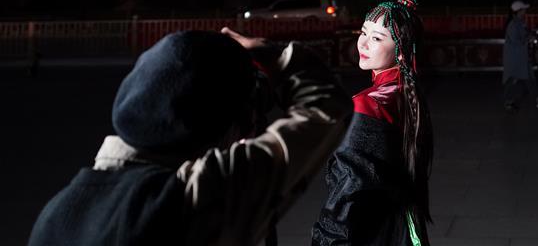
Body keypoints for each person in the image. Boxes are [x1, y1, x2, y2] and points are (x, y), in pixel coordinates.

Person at [28, 29, 352, 246]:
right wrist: (273, 55)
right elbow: (324, 107)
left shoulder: (55, 214)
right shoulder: (193, 197)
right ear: (227, 126)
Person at [311, 0, 434, 246]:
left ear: (400, 52)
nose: (363, 44)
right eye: (363, 32)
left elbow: (345, 202)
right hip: (405, 231)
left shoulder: (367, 105)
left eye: (377, 38)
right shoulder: (408, 93)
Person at [503, 0, 538, 112]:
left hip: (522, 56)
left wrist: (533, 34)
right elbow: (516, 41)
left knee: (530, 79)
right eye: (524, 9)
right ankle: (508, 102)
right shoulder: (513, 25)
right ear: (518, 11)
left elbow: (525, 34)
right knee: (513, 80)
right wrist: (528, 38)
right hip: (515, 58)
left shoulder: (520, 22)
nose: (525, 11)